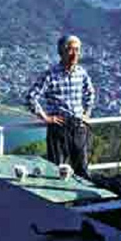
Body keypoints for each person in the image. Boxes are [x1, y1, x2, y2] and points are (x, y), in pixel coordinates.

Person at [26, 35, 95, 177]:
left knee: (81, 168)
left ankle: (83, 199)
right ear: (61, 52)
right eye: (70, 50)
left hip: (78, 126)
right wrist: (46, 117)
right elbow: (31, 97)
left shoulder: (81, 73)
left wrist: (86, 114)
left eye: (77, 50)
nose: (75, 54)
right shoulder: (50, 74)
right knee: (56, 168)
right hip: (59, 126)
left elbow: (90, 94)